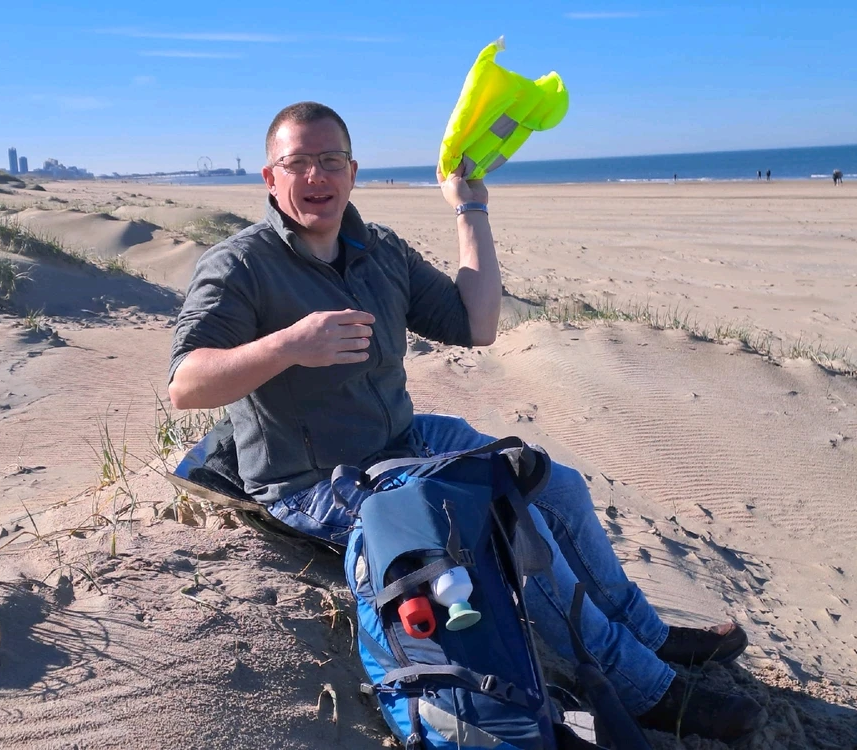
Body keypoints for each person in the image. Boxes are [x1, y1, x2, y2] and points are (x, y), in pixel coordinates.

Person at [168, 101, 765, 742]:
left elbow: (477, 324)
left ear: (352, 171)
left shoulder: (378, 250)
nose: (317, 175)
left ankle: (648, 635)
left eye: (331, 160)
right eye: (298, 162)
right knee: (508, 521)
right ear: (270, 177)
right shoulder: (240, 266)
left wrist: (470, 208)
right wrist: (288, 346)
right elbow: (185, 385)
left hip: (404, 439)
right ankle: (650, 690)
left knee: (555, 485)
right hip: (315, 480)